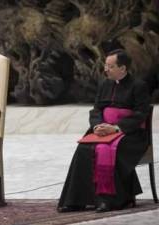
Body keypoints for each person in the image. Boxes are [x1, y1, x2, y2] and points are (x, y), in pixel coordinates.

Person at [57, 49, 151, 213]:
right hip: (103, 130)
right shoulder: (104, 84)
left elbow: (141, 114)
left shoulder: (139, 86)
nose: (105, 69)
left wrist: (115, 127)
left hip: (130, 134)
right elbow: (96, 110)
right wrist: (97, 126)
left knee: (104, 150)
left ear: (122, 68)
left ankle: (110, 200)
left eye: (110, 66)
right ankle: (76, 200)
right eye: (105, 65)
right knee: (84, 149)